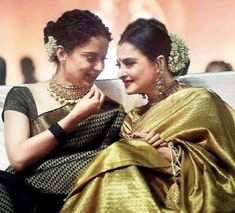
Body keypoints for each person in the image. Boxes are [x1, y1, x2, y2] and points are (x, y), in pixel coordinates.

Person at [61, 18, 235, 213]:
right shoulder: (132, 119)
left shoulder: (200, 101)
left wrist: (172, 155)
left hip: (184, 198)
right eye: (119, 65)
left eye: (129, 63)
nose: (121, 73)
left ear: (159, 63)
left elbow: (228, 165)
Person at [0, 9, 126, 213]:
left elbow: (117, 157)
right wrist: (75, 116)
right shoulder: (23, 96)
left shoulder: (109, 108)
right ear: (61, 54)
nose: (99, 67)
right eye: (90, 57)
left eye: (103, 58)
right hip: (22, 194)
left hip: (85, 197)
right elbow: (19, 158)